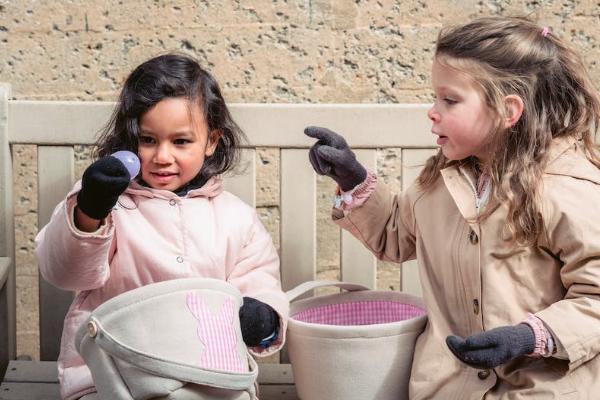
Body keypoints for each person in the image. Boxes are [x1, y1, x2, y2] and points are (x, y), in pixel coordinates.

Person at [305, 16, 600, 399]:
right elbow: (396, 236)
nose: (432, 110)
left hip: (542, 387)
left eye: (450, 99)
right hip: (448, 386)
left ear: (508, 111)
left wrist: (531, 336)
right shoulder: (440, 182)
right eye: (435, 97)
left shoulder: (567, 189)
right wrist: (353, 178)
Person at [35, 53, 288, 400]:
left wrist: (262, 314)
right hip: (110, 375)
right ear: (130, 136)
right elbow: (63, 272)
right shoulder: (108, 201)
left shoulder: (236, 218)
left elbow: (258, 276)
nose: (162, 156)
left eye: (181, 141)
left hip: (207, 376)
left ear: (211, 141)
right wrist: (89, 212)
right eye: (148, 139)